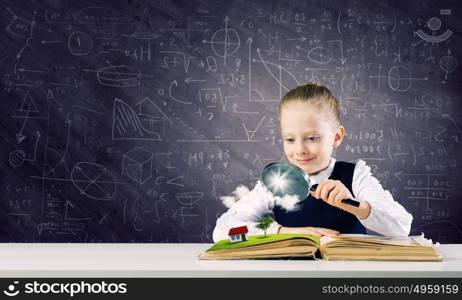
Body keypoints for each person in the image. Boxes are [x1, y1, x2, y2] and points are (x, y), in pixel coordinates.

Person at [212, 82, 413, 243]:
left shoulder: (356, 176)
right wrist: (282, 232)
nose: (300, 150)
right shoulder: (274, 183)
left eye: (312, 138)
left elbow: (401, 227)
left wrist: (355, 204)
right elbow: (223, 232)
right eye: (290, 139)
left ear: (336, 136)